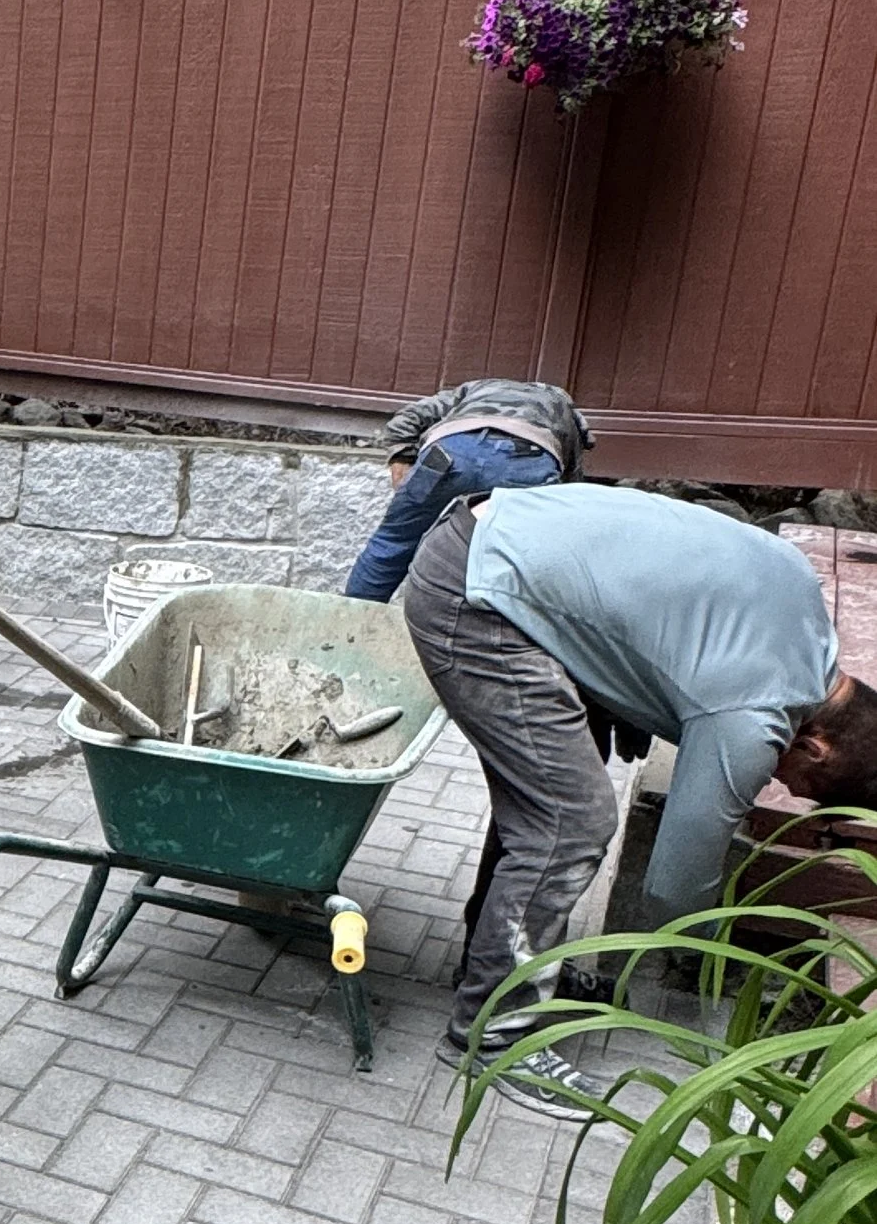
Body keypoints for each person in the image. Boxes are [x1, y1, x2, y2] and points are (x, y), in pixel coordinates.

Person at [401, 482, 877, 1113]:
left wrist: (626, 689)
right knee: (571, 821)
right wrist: (718, 951)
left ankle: (500, 966)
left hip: (500, 536)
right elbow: (673, 891)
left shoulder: (802, 605)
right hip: (477, 596)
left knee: (551, 794)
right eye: (803, 787)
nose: (779, 786)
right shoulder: (755, 714)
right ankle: (493, 1037)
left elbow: (670, 605)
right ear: (818, 748)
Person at [345, 377, 590, 602]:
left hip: (450, 453)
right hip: (525, 461)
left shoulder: (473, 389)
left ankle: (350, 622)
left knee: (393, 541)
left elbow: (407, 418)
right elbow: (570, 485)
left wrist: (403, 458)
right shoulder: (563, 408)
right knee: (527, 562)